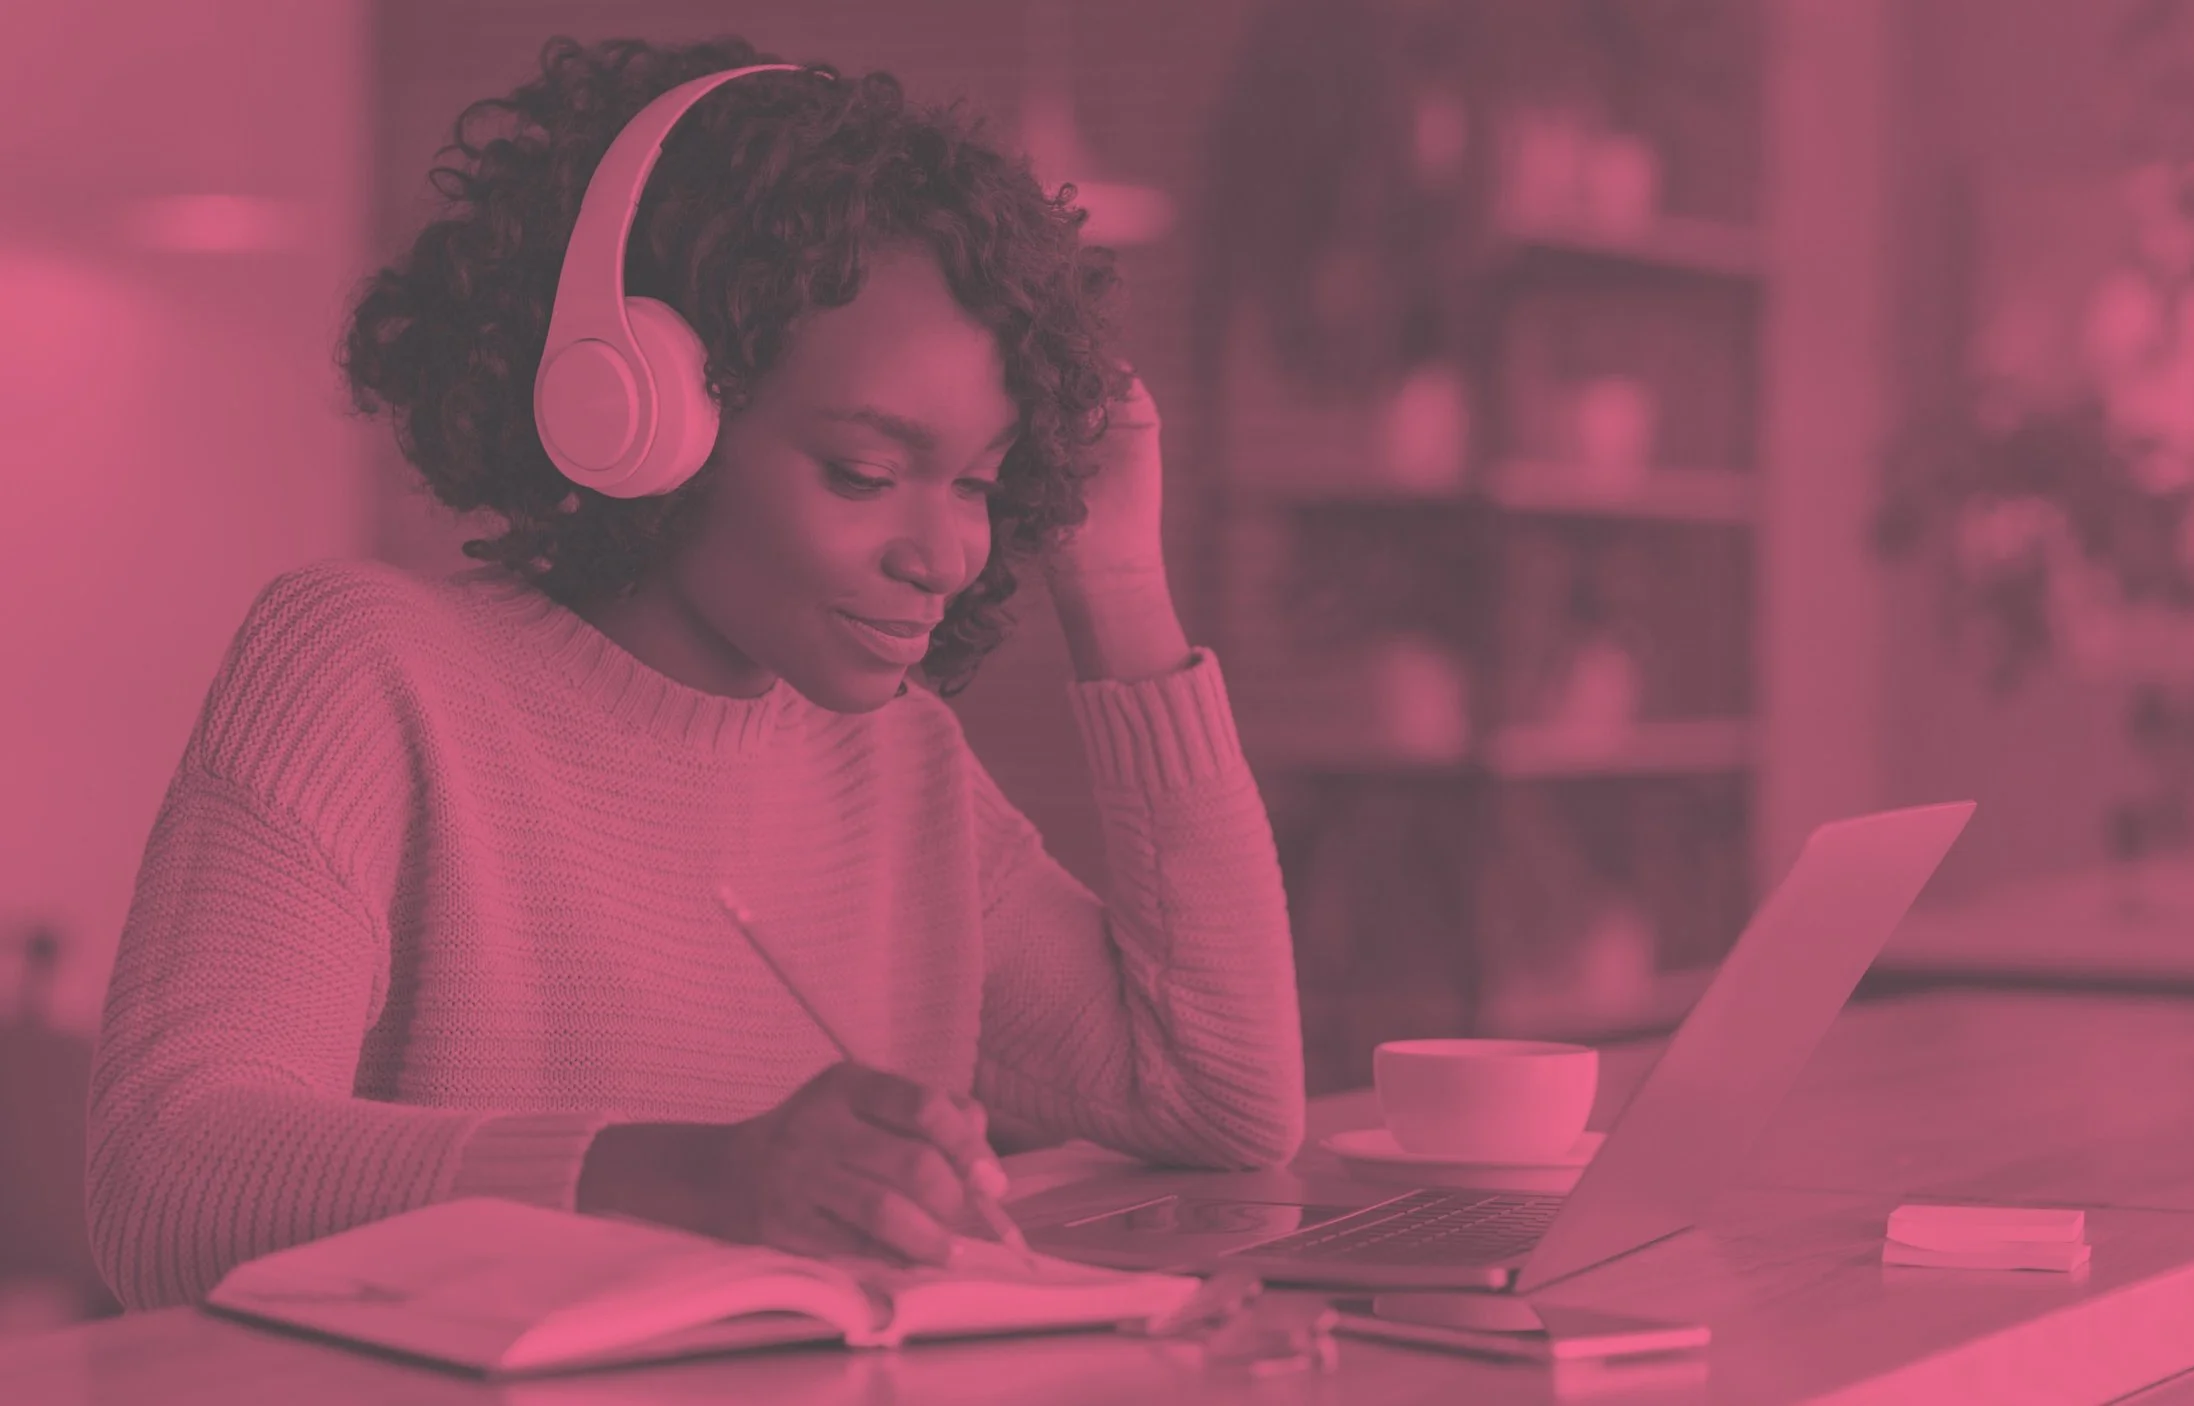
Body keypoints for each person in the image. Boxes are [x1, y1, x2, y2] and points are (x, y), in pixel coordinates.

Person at [84, 35, 1304, 1312]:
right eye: (864, 473)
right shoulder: (369, 673)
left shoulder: (899, 765)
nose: (947, 552)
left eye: (982, 483)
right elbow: (165, 1178)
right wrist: (680, 1179)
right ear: (644, 413)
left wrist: (1117, 580)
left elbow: (1219, 1098)